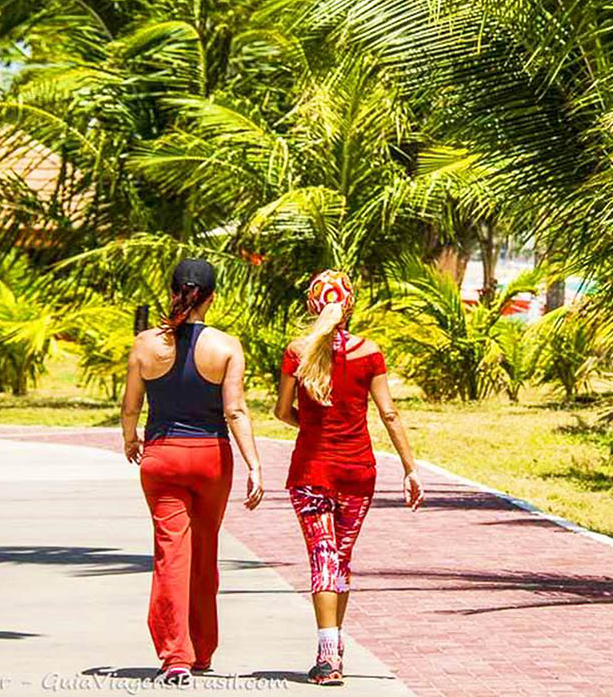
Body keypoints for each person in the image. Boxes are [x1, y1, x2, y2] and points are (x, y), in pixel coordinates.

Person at [274, 269, 424, 685]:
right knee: (339, 558)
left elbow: (282, 412)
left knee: (322, 558)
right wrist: (410, 468)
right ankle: (334, 645)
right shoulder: (369, 352)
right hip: (359, 472)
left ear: (311, 306)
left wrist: (314, 424)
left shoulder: (297, 351)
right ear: (349, 306)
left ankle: (327, 656)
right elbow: (389, 413)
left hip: (310, 470)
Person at [121, 259, 264, 683]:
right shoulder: (226, 346)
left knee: (171, 554)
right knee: (204, 553)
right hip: (211, 459)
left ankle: (175, 656)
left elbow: (131, 407)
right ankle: (202, 650)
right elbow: (234, 410)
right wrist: (255, 464)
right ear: (212, 297)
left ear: (171, 292)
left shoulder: (145, 344)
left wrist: (131, 438)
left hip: (162, 457)